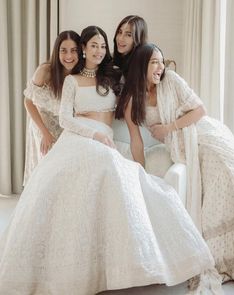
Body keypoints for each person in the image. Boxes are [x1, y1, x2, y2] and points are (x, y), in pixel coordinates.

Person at [0, 27, 222, 295]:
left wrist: (160, 73)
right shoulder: (72, 81)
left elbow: (139, 95)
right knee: (80, 174)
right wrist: (92, 134)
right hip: (79, 137)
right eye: (93, 45)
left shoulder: (113, 77)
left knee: (121, 175)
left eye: (102, 46)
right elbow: (65, 119)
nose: (99, 50)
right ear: (84, 48)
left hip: (103, 141)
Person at [116, 42, 234, 283]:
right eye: (154, 62)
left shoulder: (172, 81)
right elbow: (136, 142)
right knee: (220, 189)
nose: (161, 67)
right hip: (185, 149)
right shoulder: (132, 100)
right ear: (141, 66)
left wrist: (169, 128)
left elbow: (200, 110)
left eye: (161, 61)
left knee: (230, 176)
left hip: (205, 135)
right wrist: (142, 175)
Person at [23, 30, 81, 185]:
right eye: (64, 50)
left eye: (73, 50)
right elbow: (28, 102)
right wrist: (45, 133)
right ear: (57, 52)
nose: (69, 56)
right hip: (42, 123)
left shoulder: (81, 73)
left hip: (65, 125)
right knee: (46, 171)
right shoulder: (45, 71)